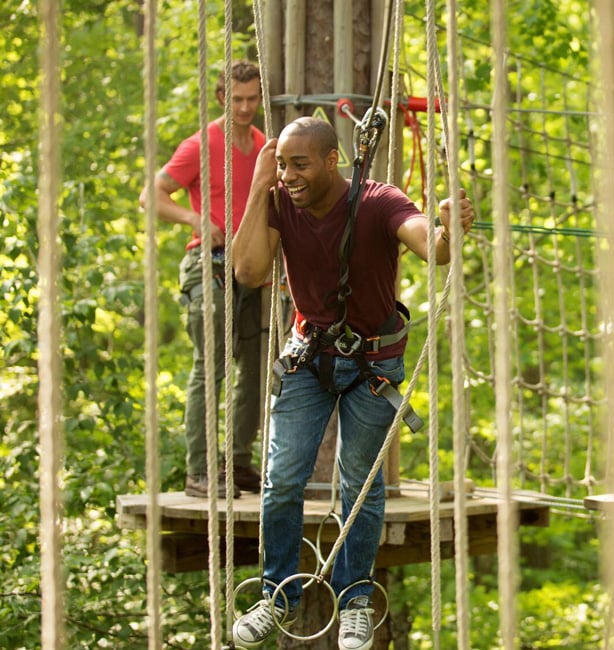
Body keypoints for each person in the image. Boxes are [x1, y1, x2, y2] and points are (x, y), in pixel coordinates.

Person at [230, 116, 475, 650]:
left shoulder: (378, 200)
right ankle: (277, 595)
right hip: (308, 358)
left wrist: (449, 230)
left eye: (300, 164)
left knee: (361, 487)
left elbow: (430, 249)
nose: (288, 175)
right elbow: (248, 272)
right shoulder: (276, 202)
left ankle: (355, 600)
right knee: (282, 479)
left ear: (331, 160)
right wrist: (256, 189)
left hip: (372, 366)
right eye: (282, 165)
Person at [139, 60, 266, 499]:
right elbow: (150, 196)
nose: (245, 107)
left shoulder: (264, 146)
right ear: (221, 98)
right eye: (237, 99)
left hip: (251, 269)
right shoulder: (200, 145)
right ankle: (200, 469)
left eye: (252, 99)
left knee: (255, 369)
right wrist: (194, 217)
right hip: (208, 265)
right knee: (210, 366)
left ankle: (238, 462)